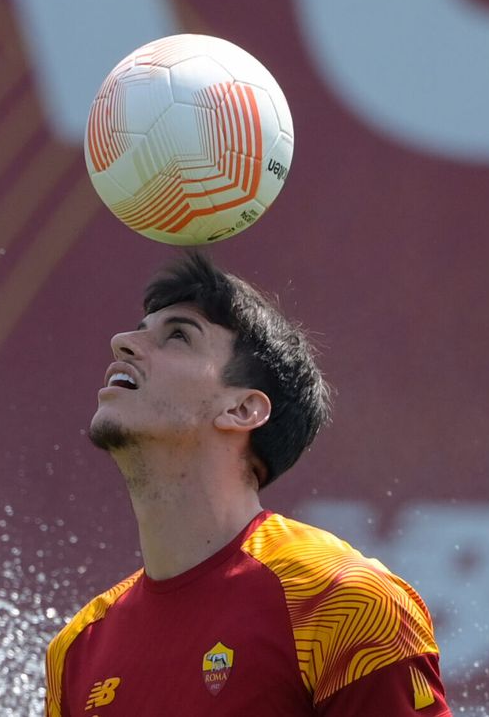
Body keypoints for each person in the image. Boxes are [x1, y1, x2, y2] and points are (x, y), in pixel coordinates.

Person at [45, 252, 450, 715]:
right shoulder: (77, 648)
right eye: (138, 329)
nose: (122, 342)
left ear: (242, 410)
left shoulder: (341, 600)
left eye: (177, 336)